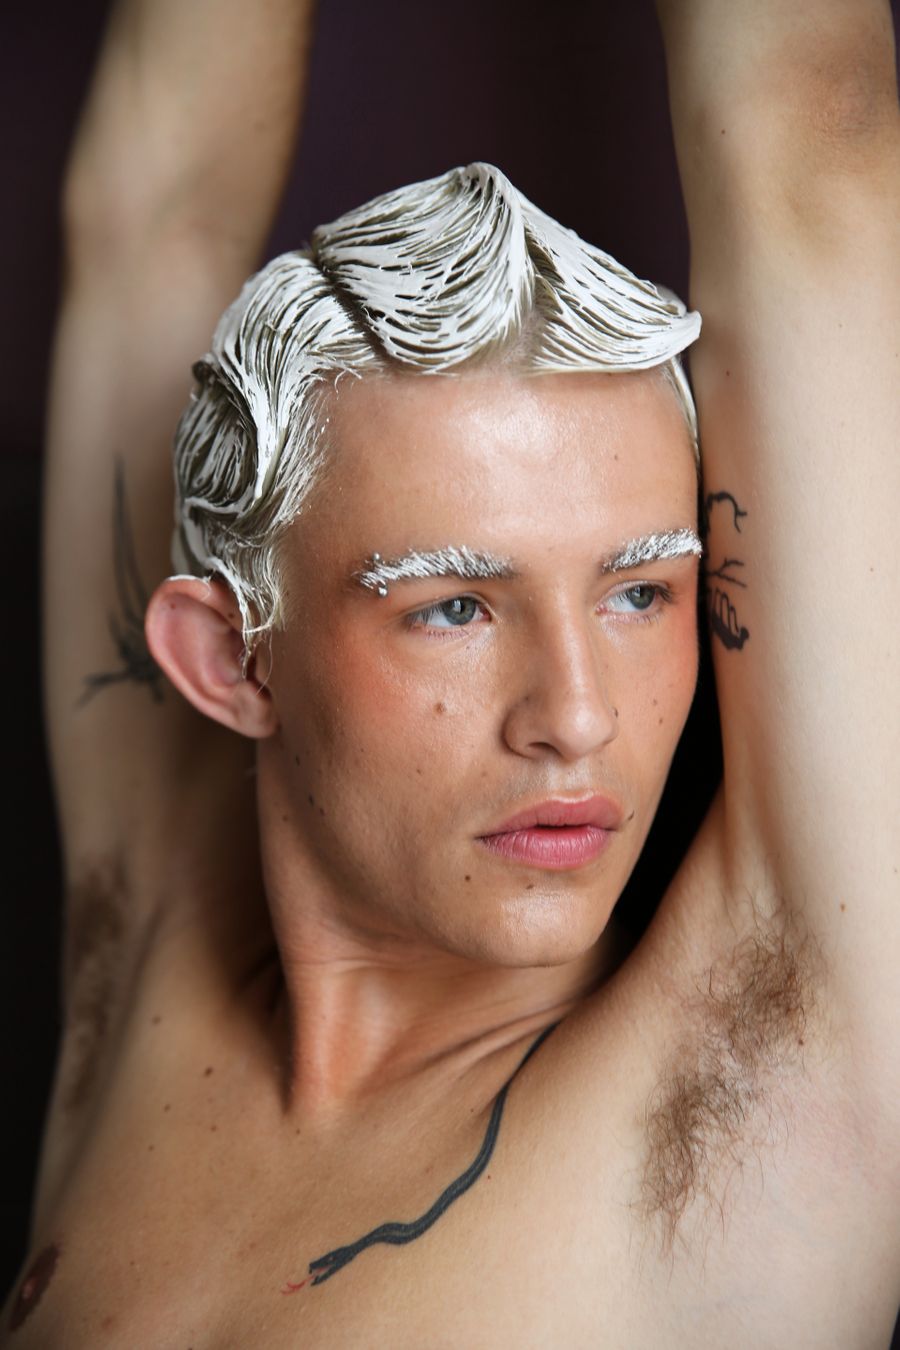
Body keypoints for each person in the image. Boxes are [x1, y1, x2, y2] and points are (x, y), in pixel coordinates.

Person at [6, 0, 900, 1344]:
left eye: (640, 591)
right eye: (455, 608)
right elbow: (157, 210)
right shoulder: (143, 946)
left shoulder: (756, 1063)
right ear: (231, 657)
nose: (577, 717)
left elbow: (813, 148)